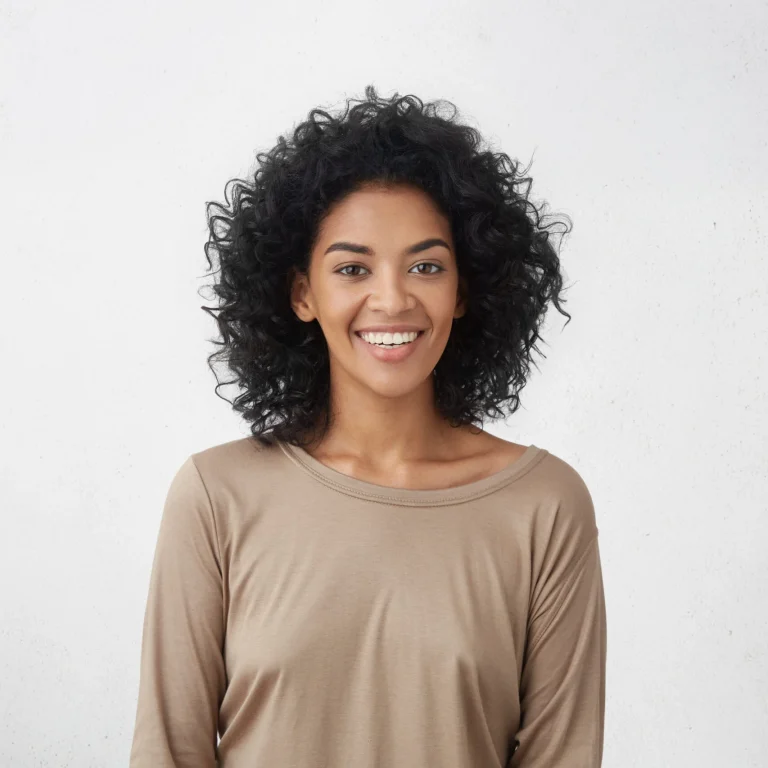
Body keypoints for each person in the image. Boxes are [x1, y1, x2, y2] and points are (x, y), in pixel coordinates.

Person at [129, 85, 607, 767]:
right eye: (353, 267)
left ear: (464, 289)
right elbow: (167, 755)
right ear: (302, 293)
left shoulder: (542, 507)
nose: (392, 298)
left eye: (426, 266)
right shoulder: (216, 496)